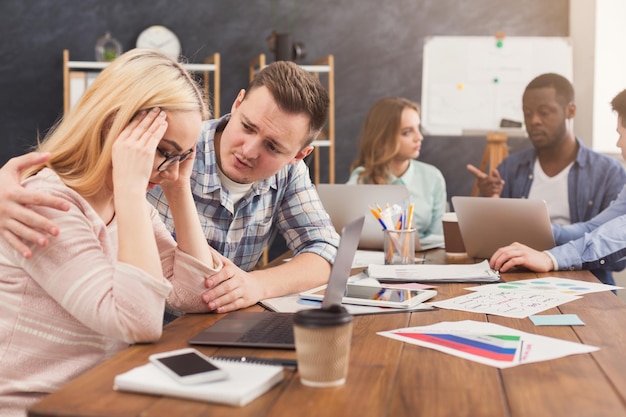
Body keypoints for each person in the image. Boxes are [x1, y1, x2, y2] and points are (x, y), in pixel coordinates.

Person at [0, 60, 340, 316]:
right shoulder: (164, 145)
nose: (249, 151)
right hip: (137, 325)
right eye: (247, 126)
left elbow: (326, 249)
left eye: (273, 148)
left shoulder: (283, 173)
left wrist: (255, 285)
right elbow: (71, 166)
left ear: (299, 155)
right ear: (236, 104)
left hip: (194, 324)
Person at [0, 49, 224, 415]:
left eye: (183, 156)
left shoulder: (124, 205)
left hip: (99, 396)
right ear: (112, 127)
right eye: (164, 152)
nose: (170, 170)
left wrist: (179, 191)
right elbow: (137, 322)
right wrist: (132, 188)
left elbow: (199, 296)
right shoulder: (45, 204)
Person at [467, 73, 626, 284]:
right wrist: (536, 230)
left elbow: (615, 239)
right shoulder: (511, 166)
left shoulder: (609, 171)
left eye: (622, 134)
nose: (618, 144)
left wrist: (550, 257)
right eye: (527, 113)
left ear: (570, 111)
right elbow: (595, 228)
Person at [347, 97, 447, 239]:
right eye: (407, 132)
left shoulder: (433, 177)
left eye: (418, 129)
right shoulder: (361, 178)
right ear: (382, 138)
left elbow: (438, 237)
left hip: (424, 257)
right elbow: (348, 229)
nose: (419, 137)